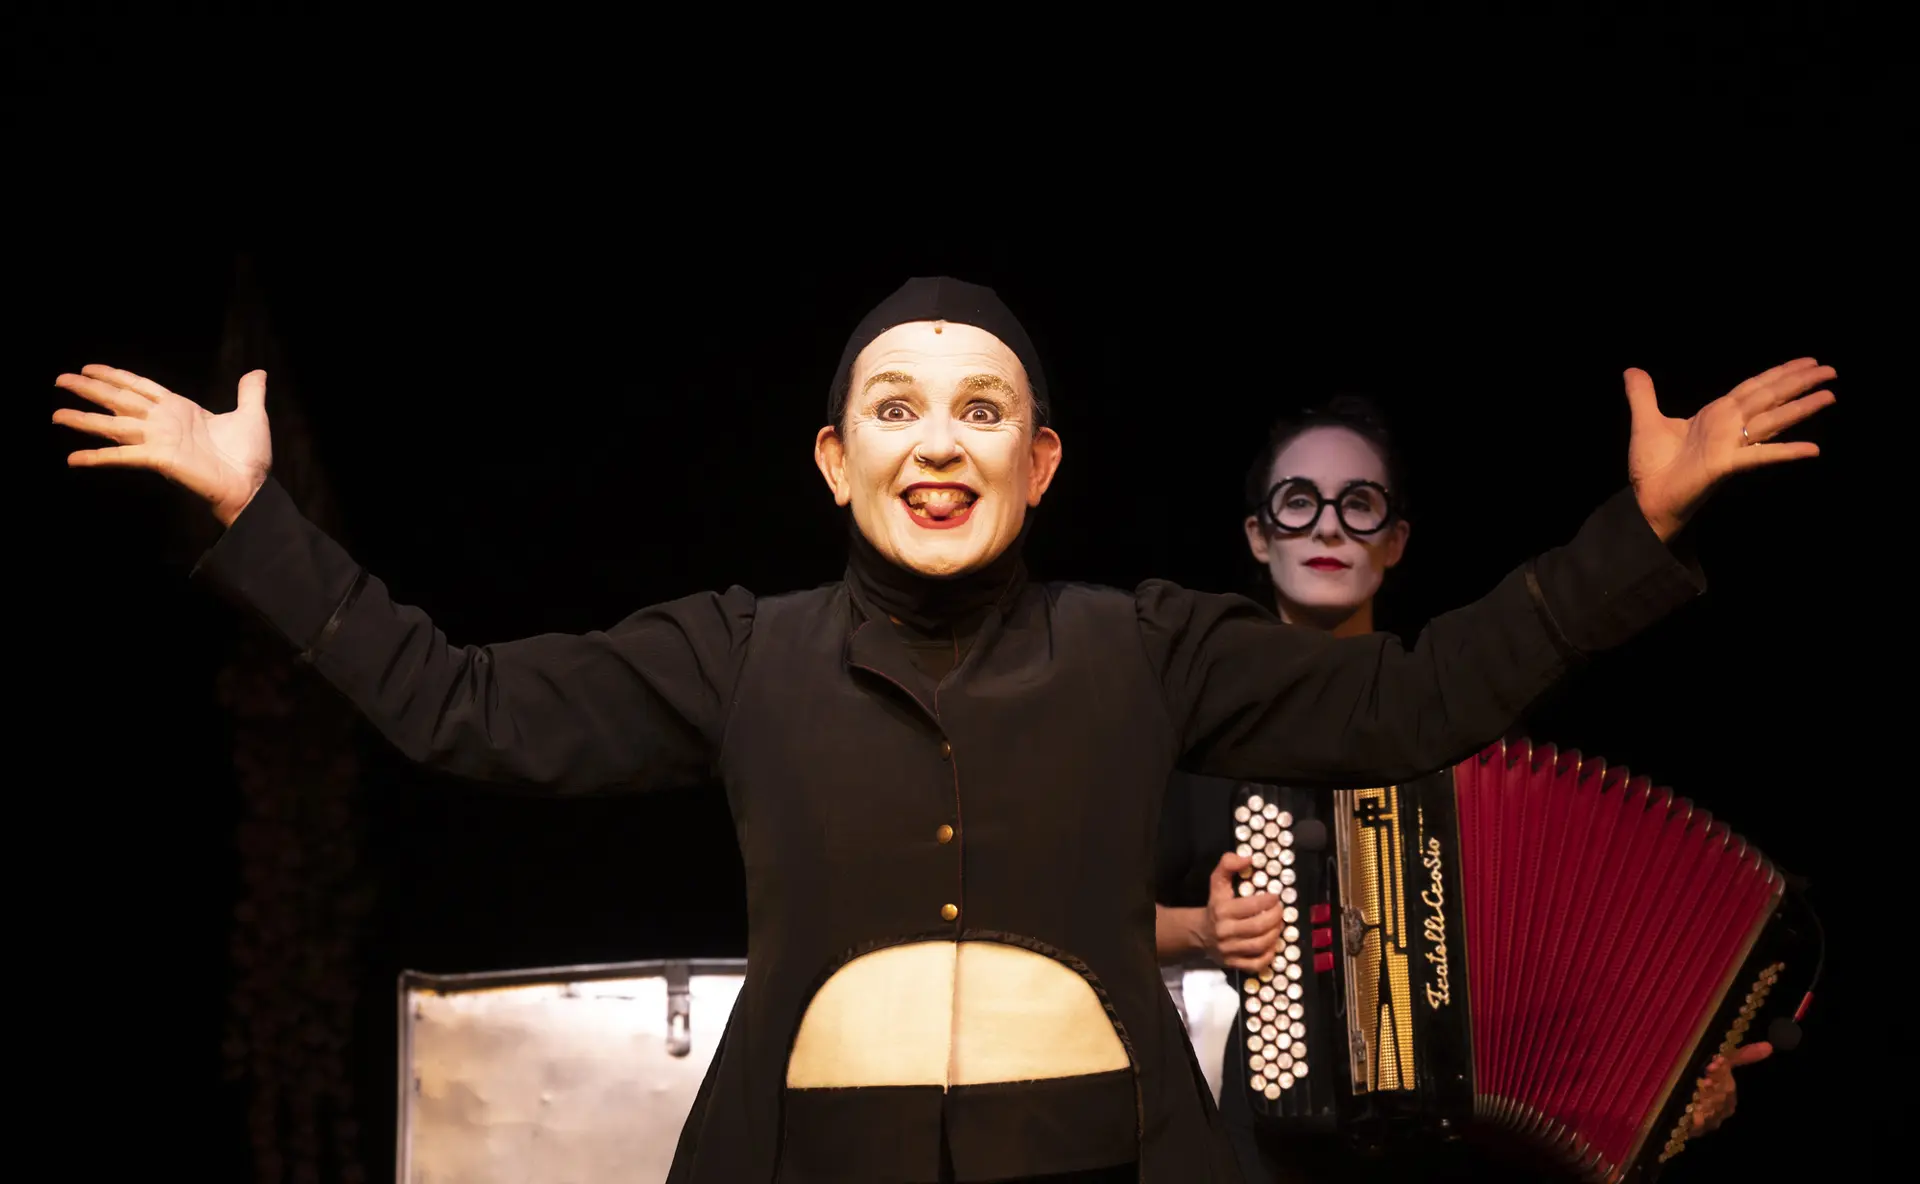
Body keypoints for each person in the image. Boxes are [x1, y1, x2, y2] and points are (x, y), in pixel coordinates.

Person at [50, 276, 1832, 1184]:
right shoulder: (737, 654)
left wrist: (1638, 529)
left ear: (1039, 463)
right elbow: (459, 705)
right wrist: (256, 523)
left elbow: (1420, 699)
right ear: (836, 462)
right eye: (895, 408)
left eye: (983, 410)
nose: (939, 440)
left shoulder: (1145, 646)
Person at [1154, 395, 1774, 1181]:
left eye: (1360, 503)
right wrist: (1201, 931)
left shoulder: (1479, 744)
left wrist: (1673, 1082)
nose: (1329, 527)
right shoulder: (1189, 740)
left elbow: (1582, 950)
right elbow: (1079, 924)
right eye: (1299, 501)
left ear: (1396, 540)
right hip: (1261, 1152)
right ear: (1258, 533)